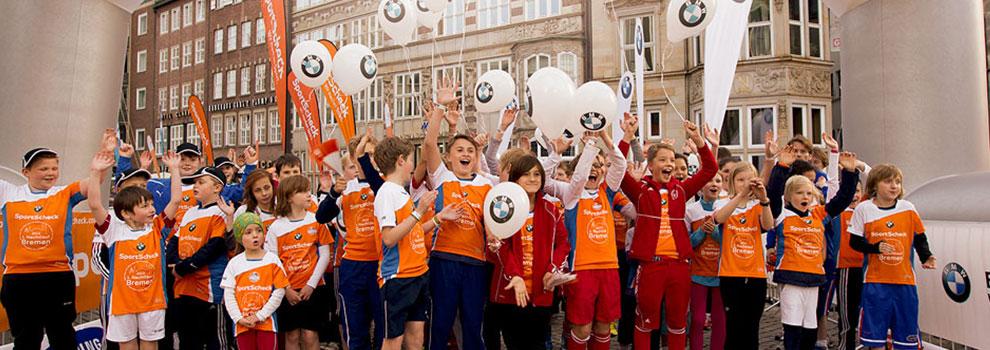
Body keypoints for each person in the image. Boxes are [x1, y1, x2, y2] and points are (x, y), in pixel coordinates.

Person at [0, 130, 114, 349]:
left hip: (57, 276)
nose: (50, 173)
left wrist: (103, 158)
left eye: (54, 168)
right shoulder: (9, 193)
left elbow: (93, 183)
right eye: (43, 168)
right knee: (26, 338)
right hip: (18, 279)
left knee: (62, 335)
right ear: (26, 171)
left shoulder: (64, 193)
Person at [618, 114, 718, 350]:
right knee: (645, 321)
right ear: (650, 165)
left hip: (680, 265)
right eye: (663, 160)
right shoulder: (641, 191)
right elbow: (618, 171)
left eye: (672, 159)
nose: (669, 164)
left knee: (677, 322)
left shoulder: (682, 189)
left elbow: (710, 169)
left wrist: (698, 140)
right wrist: (627, 137)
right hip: (651, 266)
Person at [421, 78, 494, 350]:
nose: (465, 155)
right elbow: (429, 145)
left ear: (476, 157)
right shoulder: (442, 178)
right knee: (440, 324)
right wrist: (441, 106)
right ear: (449, 157)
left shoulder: (487, 184)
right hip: (444, 260)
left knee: (473, 326)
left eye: (471, 151)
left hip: (476, 263)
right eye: (459, 150)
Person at [372, 136, 463, 350]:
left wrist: (438, 219)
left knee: (416, 340)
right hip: (397, 278)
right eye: (411, 160)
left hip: (418, 274)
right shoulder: (386, 192)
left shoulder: (400, 192)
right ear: (401, 160)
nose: (413, 166)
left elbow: (412, 233)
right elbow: (389, 237)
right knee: (393, 340)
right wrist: (419, 211)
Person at [87, 150, 182, 350]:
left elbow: (175, 201)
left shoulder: (157, 228)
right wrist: (95, 173)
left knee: (150, 345)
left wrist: (174, 170)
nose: (151, 209)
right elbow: (95, 205)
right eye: (144, 206)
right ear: (127, 213)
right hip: (122, 305)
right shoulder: (113, 230)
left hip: (153, 303)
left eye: (151, 204)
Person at [765, 147, 858, 350]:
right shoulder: (782, 214)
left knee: (810, 330)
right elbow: (772, 193)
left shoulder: (818, 215)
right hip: (791, 279)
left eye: (808, 192)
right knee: (793, 329)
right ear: (788, 197)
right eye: (799, 193)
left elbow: (842, 200)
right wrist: (782, 166)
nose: (805, 196)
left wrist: (850, 173)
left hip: (814, 279)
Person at [543, 130, 625, 350]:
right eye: (592, 165)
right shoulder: (571, 193)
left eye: (600, 166)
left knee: (603, 327)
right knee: (582, 328)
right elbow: (547, 181)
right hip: (581, 270)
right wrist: (589, 145)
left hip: (609, 268)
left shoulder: (606, 192)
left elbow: (620, 165)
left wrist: (606, 138)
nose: (596, 170)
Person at [847, 164, 936, 350]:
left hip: (905, 282)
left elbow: (919, 237)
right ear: (874, 185)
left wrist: (926, 256)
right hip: (875, 282)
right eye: (888, 182)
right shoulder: (863, 209)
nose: (894, 186)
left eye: (897, 182)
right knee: (875, 339)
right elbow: (854, 243)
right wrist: (875, 248)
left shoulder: (908, 208)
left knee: (907, 339)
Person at [486, 154, 570, 350]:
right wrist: (515, 276)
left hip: (541, 292)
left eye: (536, 174)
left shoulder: (551, 210)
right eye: (526, 174)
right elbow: (499, 246)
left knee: (538, 344)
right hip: (511, 292)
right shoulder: (503, 207)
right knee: (515, 344)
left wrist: (552, 270)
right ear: (515, 179)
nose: (532, 179)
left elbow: (563, 244)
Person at [317, 131, 387, 350]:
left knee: (384, 329)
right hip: (353, 266)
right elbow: (321, 217)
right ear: (354, 160)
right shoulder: (345, 188)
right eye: (362, 156)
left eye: (372, 154)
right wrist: (332, 193)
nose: (368, 159)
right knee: (355, 329)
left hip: (380, 266)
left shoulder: (384, 185)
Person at [165, 166, 233, 350]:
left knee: (216, 342)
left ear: (217, 187)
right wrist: (173, 264)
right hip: (184, 288)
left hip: (209, 290)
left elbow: (215, 246)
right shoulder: (189, 213)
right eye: (195, 182)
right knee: (188, 341)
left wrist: (184, 267)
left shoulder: (222, 211)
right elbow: (174, 242)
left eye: (201, 182)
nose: (195, 186)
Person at [265, 175, 334, 350]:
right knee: (292, 335)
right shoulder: (276, 227)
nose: (308, 195)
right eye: (302, 191)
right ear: (289, 197)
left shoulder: (317, 220)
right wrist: (286, 289)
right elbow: (273, 262)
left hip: (314, 288)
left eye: (308, 190)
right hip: (287, 290)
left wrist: (311, 284)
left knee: (310, 335)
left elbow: (325, 255)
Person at [711, 162, 774, 350]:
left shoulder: (757, 205)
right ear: (732, 182)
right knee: (734, 326)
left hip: (756, 274)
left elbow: (768, 225)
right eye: (740, 180)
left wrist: (764, 200)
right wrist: (740, 195)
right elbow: (719, 218)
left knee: (752, 328)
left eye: (749, 179)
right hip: (731, 274)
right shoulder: (723, 202)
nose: (745, 183)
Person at [222, 212, 289, 350]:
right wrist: (239, 318)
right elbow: (229, 295)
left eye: (259, 230)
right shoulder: (234, 263)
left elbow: (279, 291)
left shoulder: (272, 260)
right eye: (248, 232)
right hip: (242, 325)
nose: (255, 235)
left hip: (267, 324)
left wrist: (260, 316)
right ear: (240, 237)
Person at [686, 173, 725, 350]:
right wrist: (702, 231)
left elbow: (731, 242)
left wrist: (716, 233)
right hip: (697, 272)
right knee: (697, 319)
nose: (714, 184)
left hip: (721, 274)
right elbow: (687, 244)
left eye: (718, 180)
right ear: (701, 185)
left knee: (719, 320)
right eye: (709, 180)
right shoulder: (691, 211)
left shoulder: (727, 208)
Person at [832, 181, 865, 350]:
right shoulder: (838, 212)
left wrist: (860, 167)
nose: (855, 195)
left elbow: (874, 179)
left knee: (867, 310)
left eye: (857, 191)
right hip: (845, 267)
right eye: (851, 191)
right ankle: (845, 346)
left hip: (867, 268)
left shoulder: (867, 210)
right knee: (847, 313)